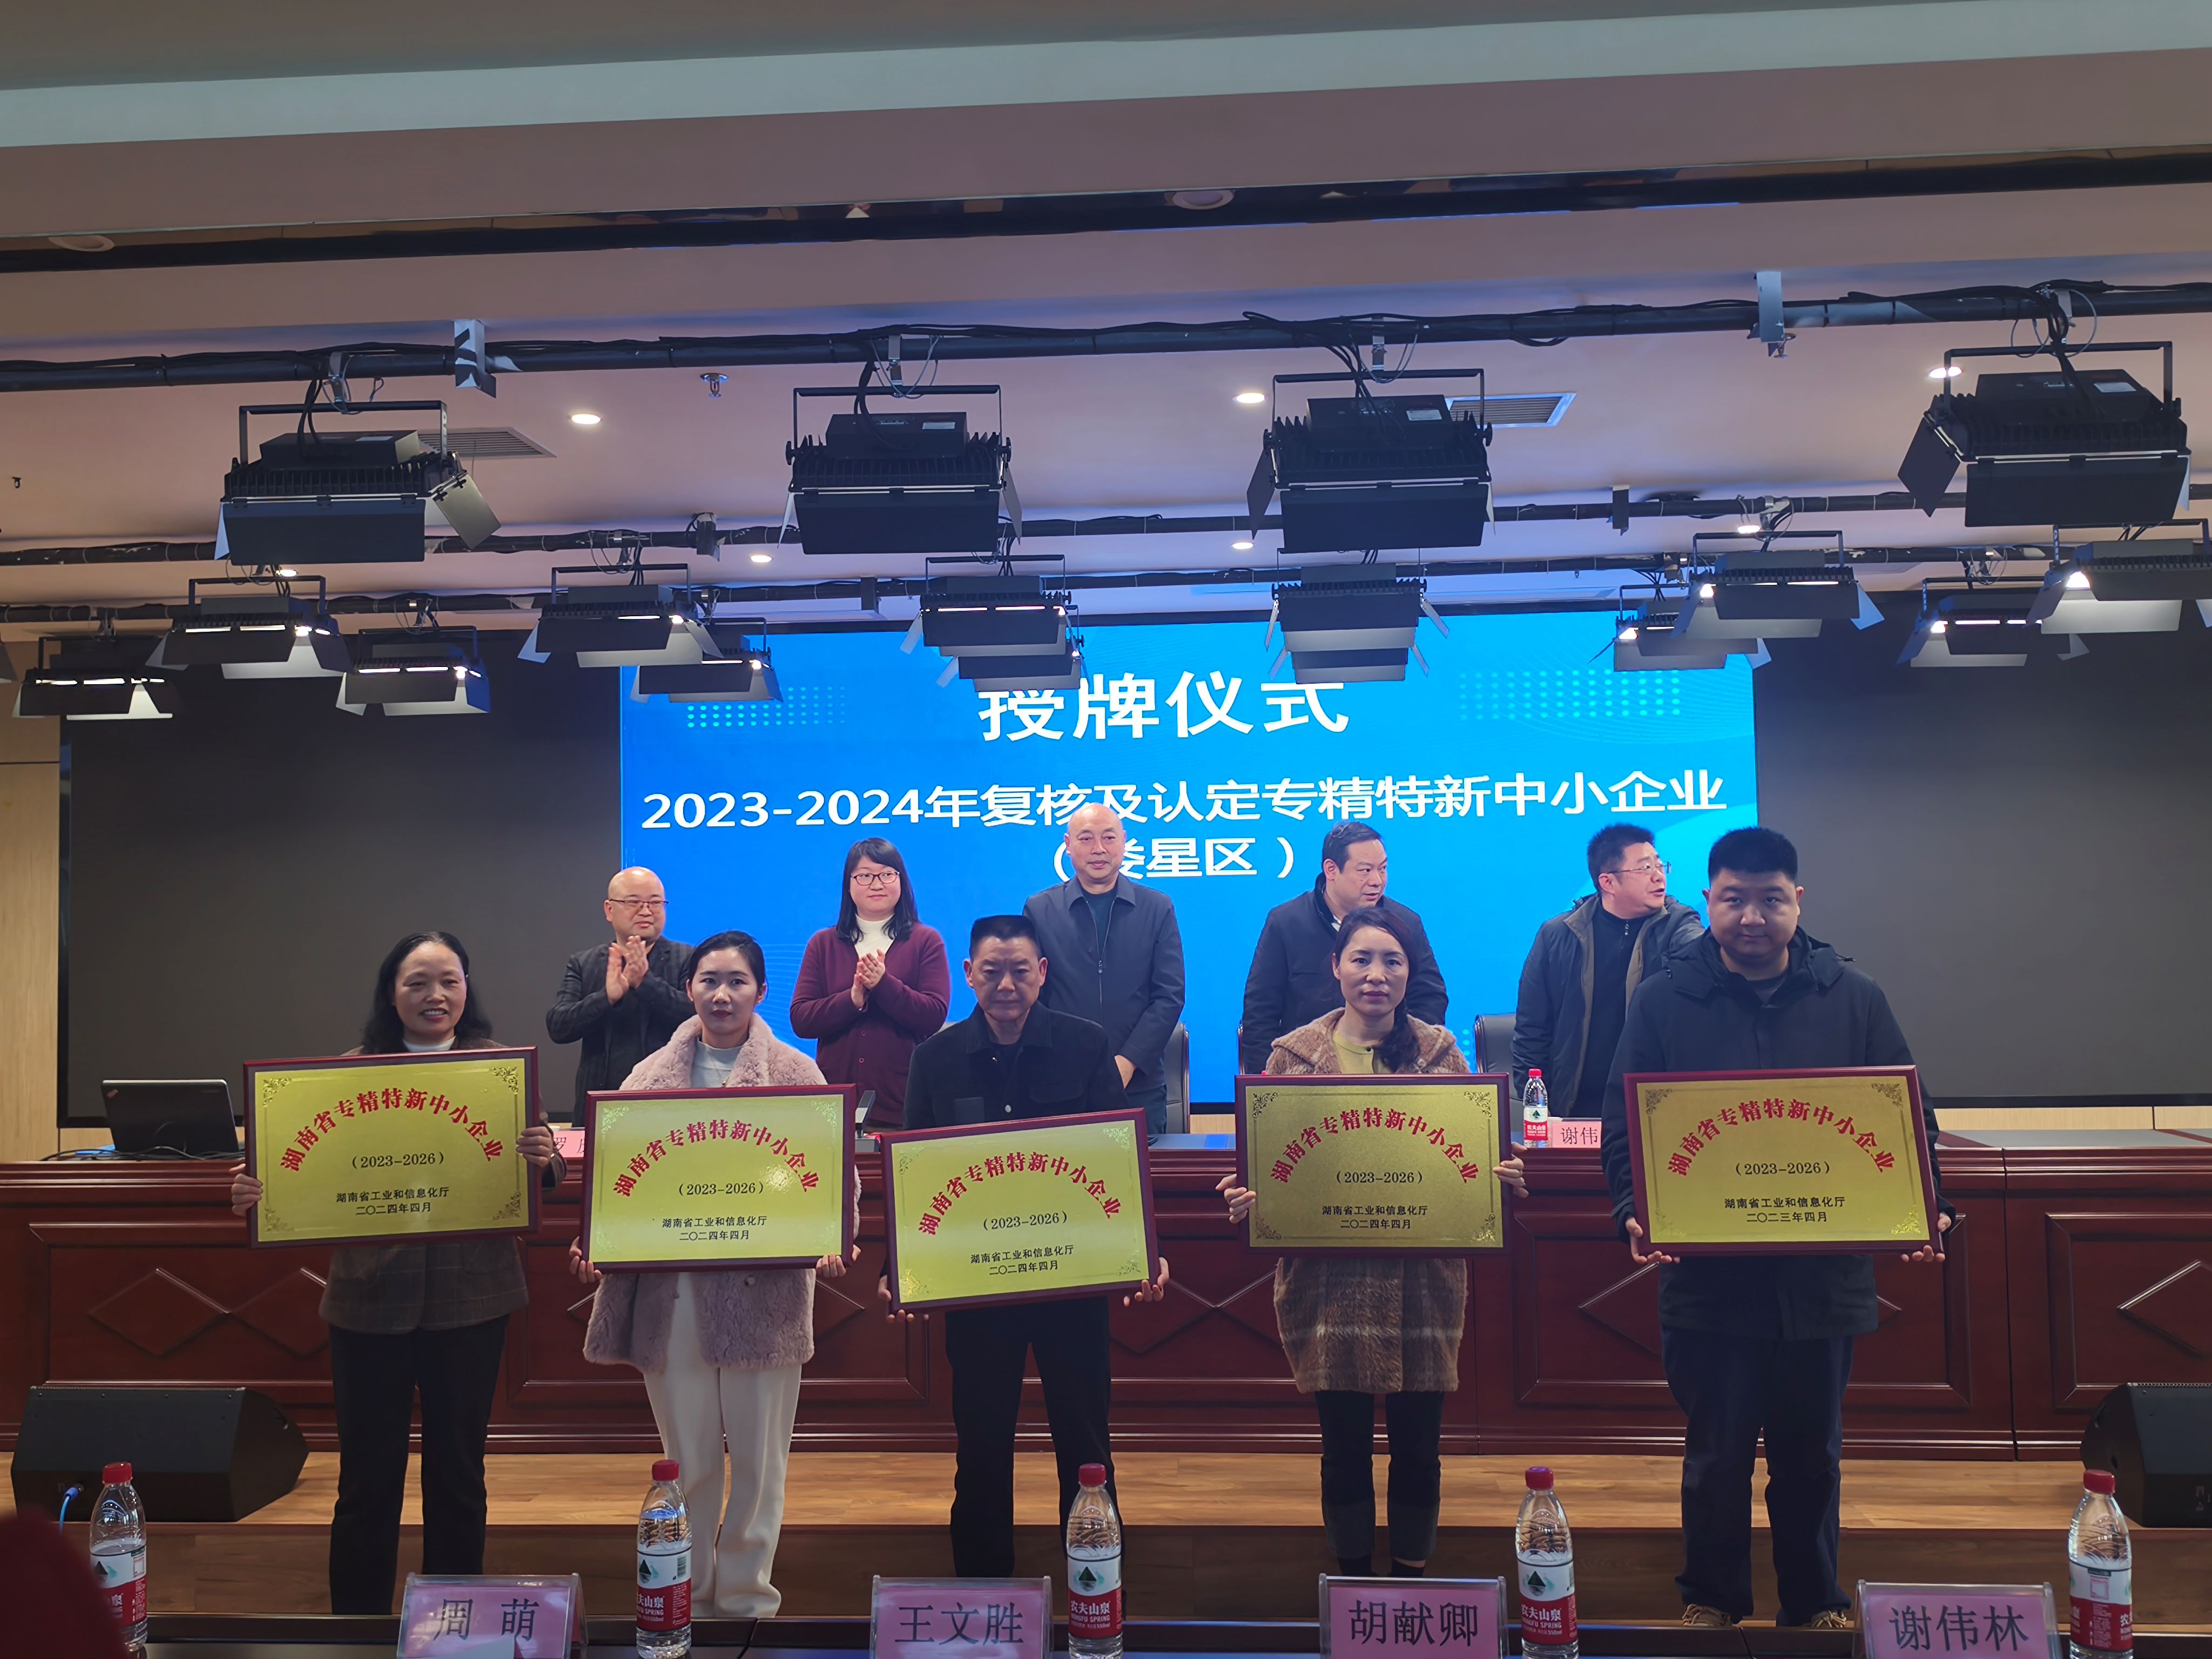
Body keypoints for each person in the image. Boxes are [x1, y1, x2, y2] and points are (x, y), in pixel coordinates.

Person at [1599, 827, 1952, 1631]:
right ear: (1708, 901)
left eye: (1769, 900)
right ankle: (1712, 1599)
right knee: (1715, 1455)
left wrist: (1927, 1203)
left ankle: (1814, 1603)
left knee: (1812, 1456)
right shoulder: (1663, 1000)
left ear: (1798, 901)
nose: (1752, 917)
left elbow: (1909, 1118)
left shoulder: (1852, 996)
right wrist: (1632, 1208)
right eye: (1734, 899)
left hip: (1820, 1281)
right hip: (1708, 1281)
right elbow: (1625, 1126)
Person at [228, 932, 564, 1615]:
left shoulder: (500, 1069)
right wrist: (256, 1191)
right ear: (391, 992)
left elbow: (545, 1169)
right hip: (368, 1299)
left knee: (458, 1474)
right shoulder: (347, 1073)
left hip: (473, 1298)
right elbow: (300, 1171)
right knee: (366, 1478)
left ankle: (452, 1626)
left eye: (449, 981)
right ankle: (354, 1630)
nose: (435, 995)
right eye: (417, 982)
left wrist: (544, 1156)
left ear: (466, 988)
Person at [1218, 907, 1525, 1579]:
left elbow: (1467, 1161)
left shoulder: (1441, 1054)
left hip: (1423, 1285)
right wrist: (1248, 1197)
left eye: (1392, 961)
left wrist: (1499, 1177)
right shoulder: (1292, 1057)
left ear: (1410, 973)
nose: (1375, 975)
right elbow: (1269, 1168)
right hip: (1328, 1284)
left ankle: (1411, 1581)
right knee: (1343, 1449)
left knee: (1419, 1449)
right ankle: (1353, 1587)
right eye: (1360, 959)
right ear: (1335, 967)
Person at [572, 930, 858, 1616]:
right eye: (708, 980)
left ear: (761, 991)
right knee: (689, 1457)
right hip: (672, 1296)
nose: (721, 994)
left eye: (736, 981)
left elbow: (836, 1176)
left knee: (760, 1461)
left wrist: (832, 1233)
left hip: (767, 1295)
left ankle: (746, 1596)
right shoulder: (647, 1078)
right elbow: (617, 1182)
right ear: (688, 989)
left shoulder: (796, 1074)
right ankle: (691, 1591)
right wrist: (596, 1240)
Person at [893, 914, 1170, 1577]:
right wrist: (895, 1268)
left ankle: (1097, 1584)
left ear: (1042, 972)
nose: (1006, 985)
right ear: (968, 975)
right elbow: (914, 1174)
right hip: (978, 1288)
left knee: (1085, 1442)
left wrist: (1143, 1248)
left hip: (1069, 1284)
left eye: (1020, 971)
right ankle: (985, 1594)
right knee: (981, 1444)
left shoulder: (1085, 1045)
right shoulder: (935, 1058)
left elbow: (1114, 1156)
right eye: (991, 972)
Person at [1513, 822, 1705, 1114]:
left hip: (1653, 1110)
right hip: (1573, 1110)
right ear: (1608, 882)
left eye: (1659, 865)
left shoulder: (1679, 925)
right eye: (1645, 868)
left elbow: (1706, 960)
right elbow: (1532, 1031)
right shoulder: (1557, 936)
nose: (1658, 876)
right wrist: (1539, 1110)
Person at [1023, 805, 1186, 1138]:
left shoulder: (1157, 907)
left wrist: (1128, 1062)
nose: (1099, 849)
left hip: (1138, 1085)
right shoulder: (1040, 910)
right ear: (1068, 845)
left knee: (1139, 1171)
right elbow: (1032, 996)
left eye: (1109, 838)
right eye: (1086, 839)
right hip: (1061, 1084)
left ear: (1124, 842)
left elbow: (1169, 996)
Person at [1240, 821, 1447, 1073]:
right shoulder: (1286, 923)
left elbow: (1429, 998)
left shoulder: (1406, 923)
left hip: (1393, 1068)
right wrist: (1270, 1083)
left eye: (1383, 869)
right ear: (1331, 870)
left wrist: (1411, 1063)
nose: (1377, 881)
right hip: (1308, 1073)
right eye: (1365, 870)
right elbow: (1260, 1012)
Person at [789, 838, 951, 1132]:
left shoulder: (925, 941)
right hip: (834, 1111)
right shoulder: (822, 944)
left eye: (887, 874)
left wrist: (884, 984)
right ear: (849, 885)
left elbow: (933, 1015)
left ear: (901, 880)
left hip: (902, 1104)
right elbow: (801, 1019)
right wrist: (851, 1000)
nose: (876, 884)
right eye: (864, 876)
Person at [545, 868, 692, 1120]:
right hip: (600, 1105)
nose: (646, 911)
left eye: (655, 902)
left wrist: (646, 983)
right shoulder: (585, 963)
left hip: (668, 1104)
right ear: (609, 910)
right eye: (634, 902)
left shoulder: (688, 958)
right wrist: (607, 998)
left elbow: (698, 1017)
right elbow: (559, 1027)